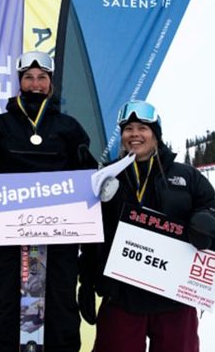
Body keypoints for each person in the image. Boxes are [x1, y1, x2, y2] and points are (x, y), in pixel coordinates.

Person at [0, 51, 97, 352]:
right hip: (7, 241)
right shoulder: (0, 127)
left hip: (58, 240)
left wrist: (98, 183)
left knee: (60, 311)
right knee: (4, 311)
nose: (36, 83)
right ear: (19, 83)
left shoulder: (68, 126)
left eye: (42, 77)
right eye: (29, 77)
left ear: (50, 83)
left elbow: (88, 174)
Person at [78, 100, 215, 352]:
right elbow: (90, 232)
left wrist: (206, 219)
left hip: (174, 297)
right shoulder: (106, 176)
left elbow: (210, 207)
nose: (134, 134)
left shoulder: (186, 176)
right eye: (128, 129)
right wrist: (86, 281)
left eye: (143, 128)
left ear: (156, 134)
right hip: (121, 295)